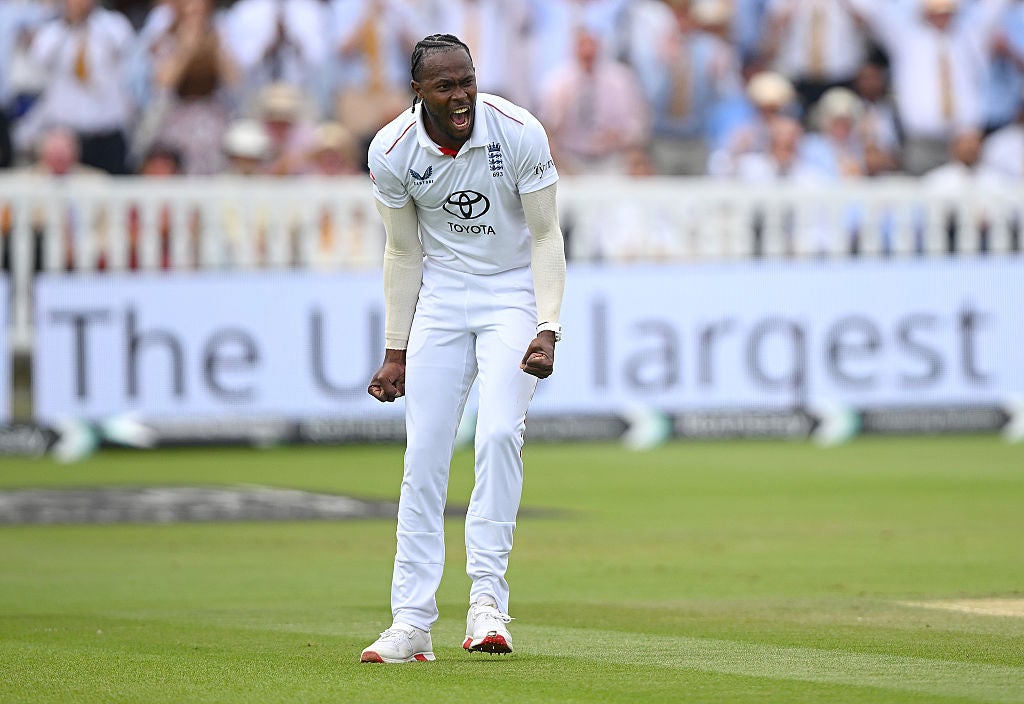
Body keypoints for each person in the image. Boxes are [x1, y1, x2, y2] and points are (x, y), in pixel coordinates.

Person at [359, 33, 565, 664]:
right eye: (444, 86)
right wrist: (395, 348)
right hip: (443, 297)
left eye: (467, 81)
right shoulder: (391, 151)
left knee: (500, 435)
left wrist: (547, 327)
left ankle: (487, 605)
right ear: (417, 91)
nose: (461, 97)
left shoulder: (518, 131)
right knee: (423, 453)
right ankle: (411, 621)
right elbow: (402, 252)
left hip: (511, 294)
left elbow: (545, 235)